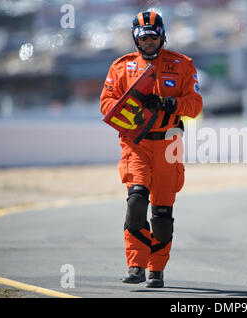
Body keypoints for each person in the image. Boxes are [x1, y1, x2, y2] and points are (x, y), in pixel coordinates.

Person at [100, 10, 203, 287]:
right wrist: (130, 109)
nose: (148, 43)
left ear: (162, 37)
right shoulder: (121, 67)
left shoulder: (182, 65)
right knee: (136, 201)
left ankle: (156, 270)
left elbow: (195, 104)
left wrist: (170, 104)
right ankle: (136, 265)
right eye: (143, 38)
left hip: (169, 144)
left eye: (153, 38)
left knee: (161, 213)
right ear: (135, 39)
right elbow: (106, 103)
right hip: (135, 144)